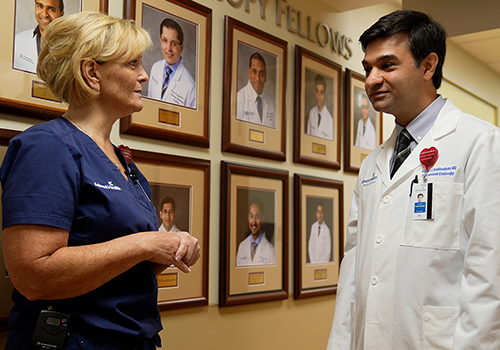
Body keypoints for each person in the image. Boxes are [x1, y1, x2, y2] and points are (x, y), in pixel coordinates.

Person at [1, 12, 200, 350]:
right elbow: (33, 276)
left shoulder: (123, 161)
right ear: (92, 72)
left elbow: (122, 271)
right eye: (133, 63)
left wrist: (170, 250)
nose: (144, 76)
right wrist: (147, 244)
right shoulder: (47, 147)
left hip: (134, 338)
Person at [327, 10, 500, 350]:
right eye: (368, 68)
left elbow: (489, 273)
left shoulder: (480, 143)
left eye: (387, 65)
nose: (372, 79)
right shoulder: (373, 164)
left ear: (428, 66)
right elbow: (353, 272)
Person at [148, 18, 196, 108]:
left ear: (181, 48)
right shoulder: (155, 67)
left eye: (174, 43)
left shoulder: (190, 87)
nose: (168, 48)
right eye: (165, 40)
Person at [13, 0, 64, 73]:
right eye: (40, 6)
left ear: (61, 14)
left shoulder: (72, 47)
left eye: (51, 9)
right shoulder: (18, 40)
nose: (44, 14)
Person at [236, 52, 276, 127]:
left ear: (265, 76)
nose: (258, 78)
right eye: (254, 72)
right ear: (249, 73)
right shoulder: (239, 99)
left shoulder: (271, 102)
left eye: (261, 73)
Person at [236, 198, 276, 266]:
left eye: (257, 217)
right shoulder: (242, 246)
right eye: (251, 216)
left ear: (262, 219)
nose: (253, 222)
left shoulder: (271, 251)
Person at [306, 74, 333, 140]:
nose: (319, 96)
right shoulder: (312, 113)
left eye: (321, 92)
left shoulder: (330, 120)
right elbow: (307, 138)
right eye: (317, 91)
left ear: (324, 94)